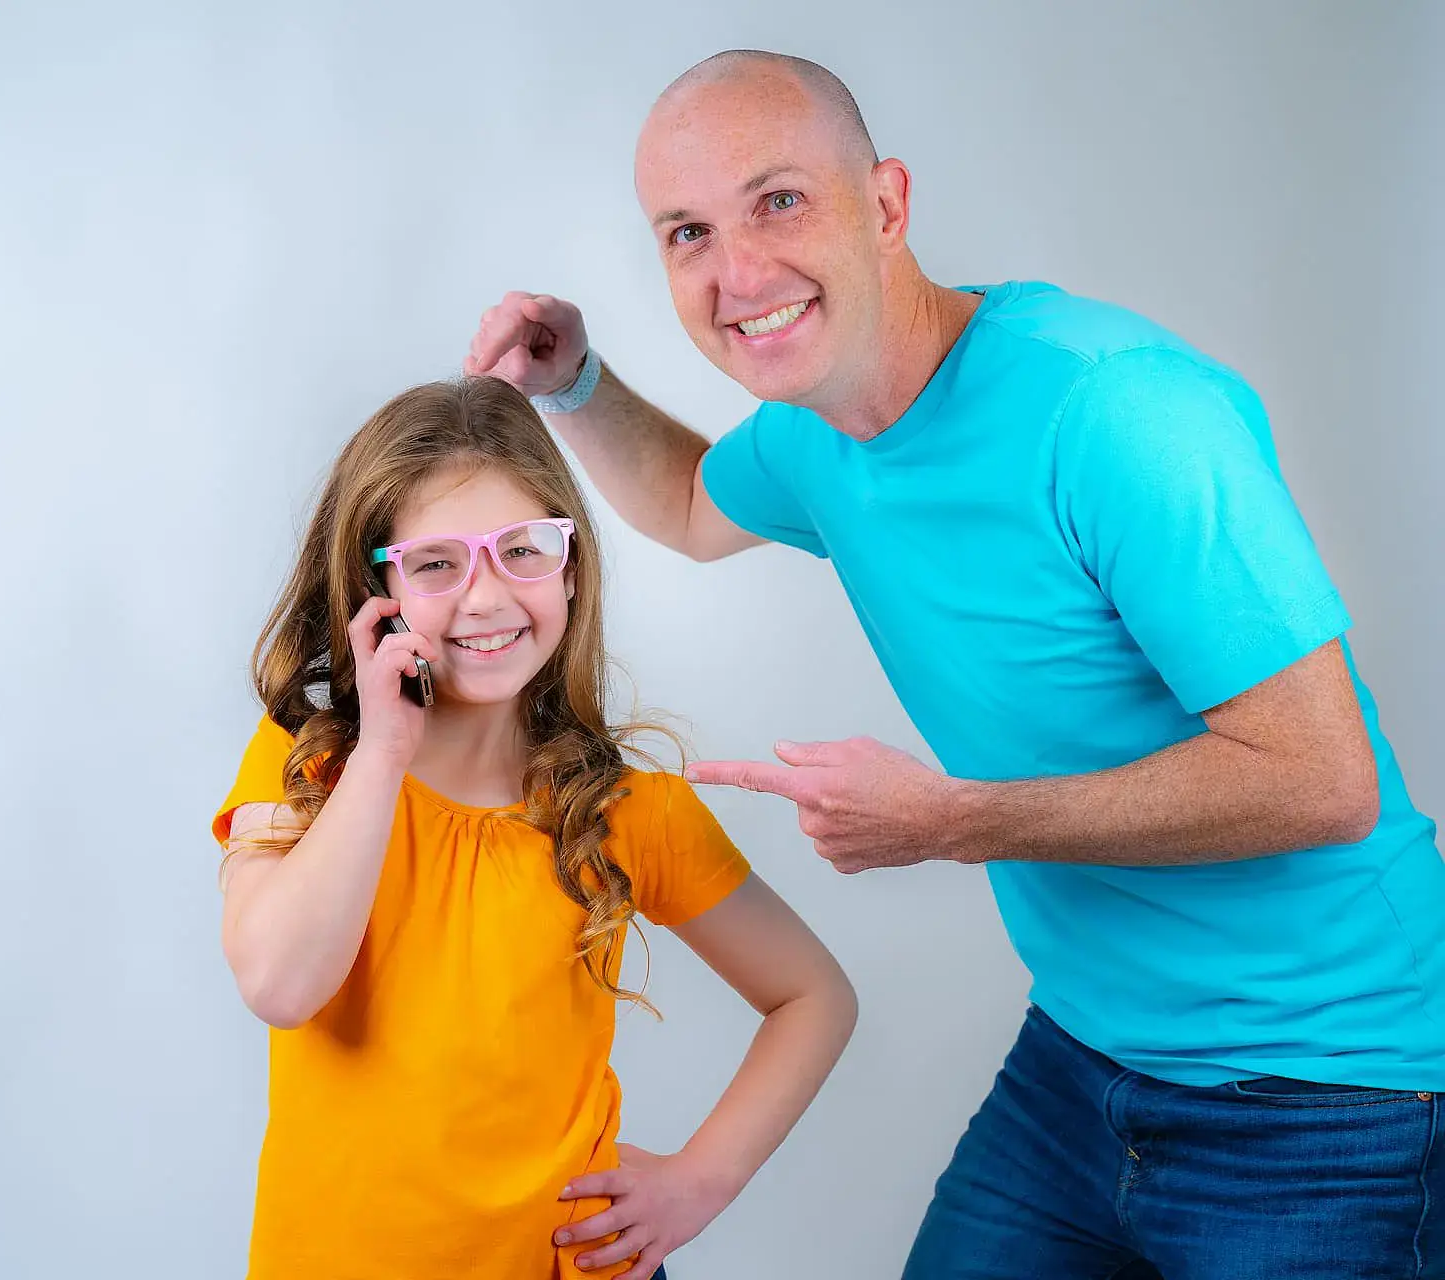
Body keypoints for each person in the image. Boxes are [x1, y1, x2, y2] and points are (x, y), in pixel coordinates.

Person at [464, 48, 1445, 1279]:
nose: (738, 273)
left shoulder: (1116, 411)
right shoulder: (814, 432)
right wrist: (578, 380)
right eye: (687, 232)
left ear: (886, 204)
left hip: (1333, 1088)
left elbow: (1323, 778)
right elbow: (685, 501)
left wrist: (951, 820)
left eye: (779, 200)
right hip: (1084, 1059)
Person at [211, 375, 858, 1280]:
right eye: (436, 562)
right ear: (376, 584)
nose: (484, 599)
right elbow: (282, 986)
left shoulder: (630, 813)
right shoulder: (308, 762)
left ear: (569, 565)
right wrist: (383, 754)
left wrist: (698, 1183)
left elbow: (813, 998)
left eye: (522, 549)